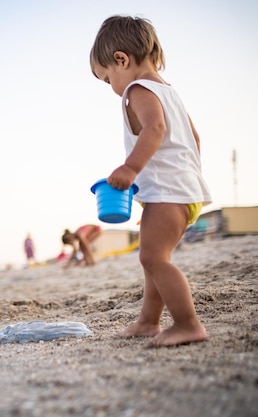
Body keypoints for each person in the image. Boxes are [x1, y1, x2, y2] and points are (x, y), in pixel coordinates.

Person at [90, 15, 212, 347]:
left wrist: (130, 169)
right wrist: (186, 178)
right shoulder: (169, 92)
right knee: (152, 256)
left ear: (121, 59)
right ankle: (148, 321)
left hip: (169, 191)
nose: (111, 87)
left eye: (106, 78)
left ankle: (188, 324)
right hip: (184, 190)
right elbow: (194, 138)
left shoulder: (137, 90)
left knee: (154, 259)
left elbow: (154, 130)